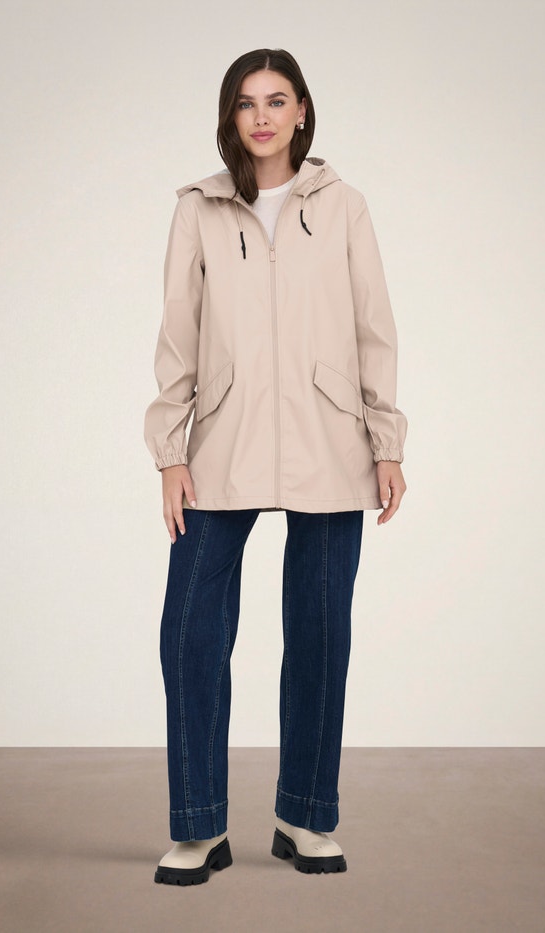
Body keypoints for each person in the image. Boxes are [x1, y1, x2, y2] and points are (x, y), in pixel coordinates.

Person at [144, 48, 407, 886]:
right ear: (232, 116)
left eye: (276, 100)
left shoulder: (344, 206)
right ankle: (198, 825)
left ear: (301, 112)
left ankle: (306, 814)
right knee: (190, 630)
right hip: (222, 438)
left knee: (322, 631)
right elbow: (178, 334)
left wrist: (387, 440)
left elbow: (373, 327)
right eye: (246, 102)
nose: (261, 116)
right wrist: (170, 451)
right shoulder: (198, 210)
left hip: (330, 438)